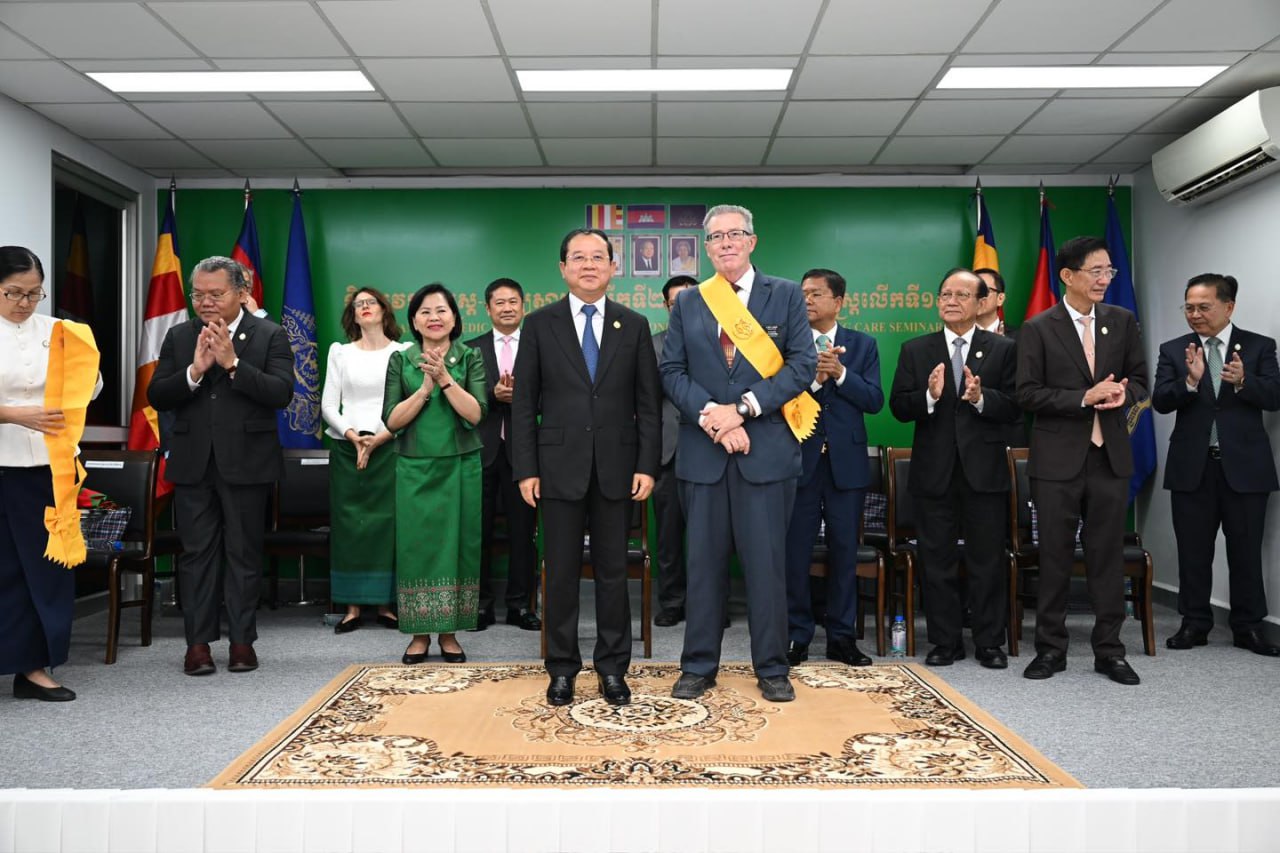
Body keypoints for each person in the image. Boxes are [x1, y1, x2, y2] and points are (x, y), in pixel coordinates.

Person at [660, 204, 816, 703]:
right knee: (702, 567)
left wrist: (743, 410)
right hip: (704, 453)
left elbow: (801, 365)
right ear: (706, 247)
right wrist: (715, 417)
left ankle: (772, 667)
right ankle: (697, 666)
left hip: (765, 452)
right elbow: (672, 372)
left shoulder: (785, 294)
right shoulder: (690, 302)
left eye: (735, 234)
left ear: (752, 241)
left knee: (767, 567)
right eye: (716, 236)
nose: (726, 242)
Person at [511, 228, 661, 707]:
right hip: (556, 468)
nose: (589, 265)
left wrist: (647, 465)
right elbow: (523, 404)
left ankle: (613, 669)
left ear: (613, 267)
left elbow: (648, 405)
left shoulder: (633, 324)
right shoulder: (540, 324)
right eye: (579, 257)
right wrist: (526, 469)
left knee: (614, 573)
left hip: (619, 467)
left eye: (598, 257)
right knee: (560, 574)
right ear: (563, 268)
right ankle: (562, 668)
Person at [148, 256, 293, 676]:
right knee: (196, 555)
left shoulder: (270, 335)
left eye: (216, 294)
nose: (205, 302)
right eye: (198, 294)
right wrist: (195, 371)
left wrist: (233, 364)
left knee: (243, 553)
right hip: (193, 462)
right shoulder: (180, 335)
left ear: (242, 293)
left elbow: (280, 393)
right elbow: (158, 394)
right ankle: (197, 645)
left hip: (248, 463)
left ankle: (242, 642)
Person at [1016, 236, 1148, 686]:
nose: (1104, 279)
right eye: (1096, 270)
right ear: (1067, 276)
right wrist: (1082, 398)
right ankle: (1050, 649)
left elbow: (1141, 380)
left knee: (1106, 556)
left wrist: (1124, 393)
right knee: (1053, 556)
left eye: (1109, 270)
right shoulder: (1038, 327)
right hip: (1057, 460)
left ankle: (1110, 651)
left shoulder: (1122, 321)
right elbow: (1027, 393)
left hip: (1110, 457)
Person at [889, 268, 1020, 669]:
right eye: (945, 294)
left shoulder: (1003, 349)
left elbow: (1016, 406)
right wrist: (929, 397)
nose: (951, 301)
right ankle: (945, 642)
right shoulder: (916, 349)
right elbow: (899, 406)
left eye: (962, 295)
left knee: (987, 561)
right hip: (934, 472)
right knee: (937, 561)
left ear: (981, 303)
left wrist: (981, 398)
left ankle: (989, 642)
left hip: (984, 472)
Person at [1152, 274, 1280, 657]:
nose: (1195, 314)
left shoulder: (1259, 347)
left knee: (1246, 551)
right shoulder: (1174, 350)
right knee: (1193, 551)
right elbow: (1161, 400)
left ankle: (1248, 627)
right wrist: (1190, 384)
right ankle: (1194, 623)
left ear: (1229, 306)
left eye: (1203, 307)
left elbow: (1274, 397)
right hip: (1193, 467)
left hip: (1245, 468)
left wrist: (1244, 382)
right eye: (1189, 307)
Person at [0, 246, 101, 701]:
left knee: (45, 569)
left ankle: (34, 669)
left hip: (48, 467)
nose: (24, 303)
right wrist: (12, 414)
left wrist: (84, 374)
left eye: (34, 293)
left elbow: (89, 388)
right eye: (13, 293)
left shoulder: (61, 332)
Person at [784, 268, 883, 668]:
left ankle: (842, 637)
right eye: (803, 294)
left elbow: (874, 399)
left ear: (838, 302)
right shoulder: (788, 343)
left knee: (845, 552)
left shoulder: (862, 344)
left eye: (816, 294)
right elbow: (776, 397)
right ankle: (796, 634)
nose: (807, 300)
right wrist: (812, 379)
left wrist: (840, 374)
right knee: (795, 553)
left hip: (847, 465)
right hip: (800, 463)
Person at [384, 284, 486, 665]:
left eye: (441, 310)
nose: (434, 318)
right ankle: (418, 634)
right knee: (417, 547)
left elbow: (475, 414)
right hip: (414, 467)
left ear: (455, 318)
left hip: (460, 467)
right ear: (414, 321)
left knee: (459, 547)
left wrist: (445, 379)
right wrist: (425, 389)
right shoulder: (401, 360)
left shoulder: (470, 357)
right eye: (425, 312)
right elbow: (392, 420)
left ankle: (449, 633)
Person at [320, 287, 409, 635]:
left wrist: (379, 438)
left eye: (371, 302)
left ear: (384, 310)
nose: (365, 307)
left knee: (388, 524)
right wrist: (353, 435)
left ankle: (385, 605)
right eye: (359, 305)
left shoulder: (402, 352)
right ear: (353, 316)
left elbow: (408, 404)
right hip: (348, 447)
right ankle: (352, 607)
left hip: (389, 446)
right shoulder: (340, 352)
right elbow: (329, 405)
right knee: (350, 525)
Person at [466, 278, 540, 632]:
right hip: (480, 451)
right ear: (488, 308)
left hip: (525, 454)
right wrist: (492, 396)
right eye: (500, 302)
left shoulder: (539, 345)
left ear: (523, 306)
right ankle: (480, 605)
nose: (507, 308)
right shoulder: (471, 350)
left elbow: (554, 394)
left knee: (523, 533)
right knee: (477, 533)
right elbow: (462, 400)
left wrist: (521, 397)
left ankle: (520, 605)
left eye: (513, 301)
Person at [652, 275, 697, 627]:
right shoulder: (653, 344)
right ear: (666, 307)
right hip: (666, 451)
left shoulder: (720, 341)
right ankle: (672, 602)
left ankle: (710, 604)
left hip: (709, 448)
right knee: (668, 536)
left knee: (710, 536)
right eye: (674, 302)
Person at [973, 268, 1012, 339]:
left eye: (984, 291)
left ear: (1000, 299)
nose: (977, 296)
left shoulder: (1019, 337)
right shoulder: (955, 334)